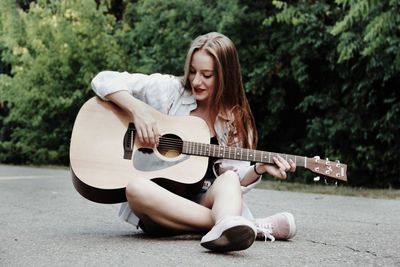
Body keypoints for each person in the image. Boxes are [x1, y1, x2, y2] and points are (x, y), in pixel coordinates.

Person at [91, 32, 297, 252]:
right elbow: (103, 79)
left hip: (202, 199)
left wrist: (259, 168)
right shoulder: (171, 91)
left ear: (225, 76)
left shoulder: (234, 120)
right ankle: (246, 226)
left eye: (206, 75)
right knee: (135, 188)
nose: (196, 81)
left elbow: (236, 181)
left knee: (228, 179)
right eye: (192, 71)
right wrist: (138, 110)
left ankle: (226, 225)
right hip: (160, 207)